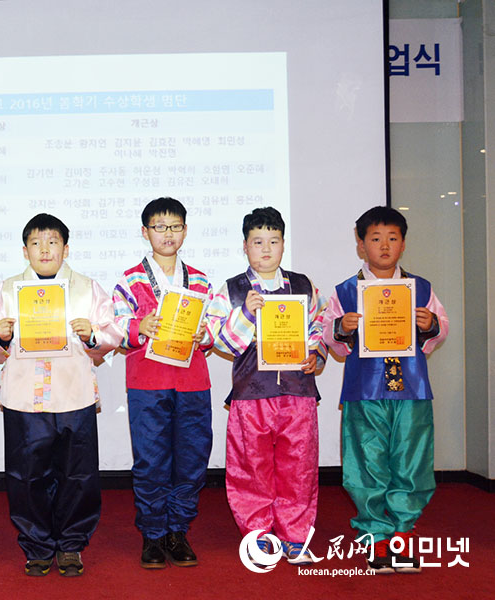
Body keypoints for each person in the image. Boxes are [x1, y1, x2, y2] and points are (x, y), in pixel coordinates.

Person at [0, 213, 122, 578]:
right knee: (27, 475)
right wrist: (1, 336)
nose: (45, 249)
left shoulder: (87, 288)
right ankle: (38, 546)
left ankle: (71, 545)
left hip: (74, 395)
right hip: (24, 398)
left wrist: (92, 335)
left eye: (53, 242)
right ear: (24, 250)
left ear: (66, 248)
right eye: (36, 243)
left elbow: (112, 335)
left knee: (78, 475)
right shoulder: (8, 290)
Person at [322, 206, 448, 574]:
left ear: (403, 244)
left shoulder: (421, 289)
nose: (385, 245)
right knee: (367, 461)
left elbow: (440, 331)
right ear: (361, 245)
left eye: (393, 238)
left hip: (411, 389)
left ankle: (403, 533)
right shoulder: (345, 292)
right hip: (365, 390)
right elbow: (331, 338)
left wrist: (431, 323)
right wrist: (342, 327)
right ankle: (376, 535)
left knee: (412, 460)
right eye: (375, 238)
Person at [204, 206, 326, 566]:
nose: (266, 249)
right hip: (251, 392)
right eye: (258, 242)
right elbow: (217, 341)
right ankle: (259, 535)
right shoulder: (231, 290)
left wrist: (314, 353)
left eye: (274, 241)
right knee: (251, 467)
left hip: (297, 392)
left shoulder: (303, 286)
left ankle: (295, 536)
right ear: (245, 246)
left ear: (284, 244)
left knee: (299, 467)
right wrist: (245, 314)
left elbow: (319, 327)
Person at [111, 197, 213, 569]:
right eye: (159, 227)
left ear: (185, 231)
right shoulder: (129, 280)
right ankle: (153, 534)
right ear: (145, 232)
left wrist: (205, 334)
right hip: (147, 383)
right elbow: (114, 328)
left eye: (175, 227)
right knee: (151, 461)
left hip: (192, 382)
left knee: (191, 460)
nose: (167, 234)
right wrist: (139, 326)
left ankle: (177, 531)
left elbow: (215, 328)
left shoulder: (201, 280)